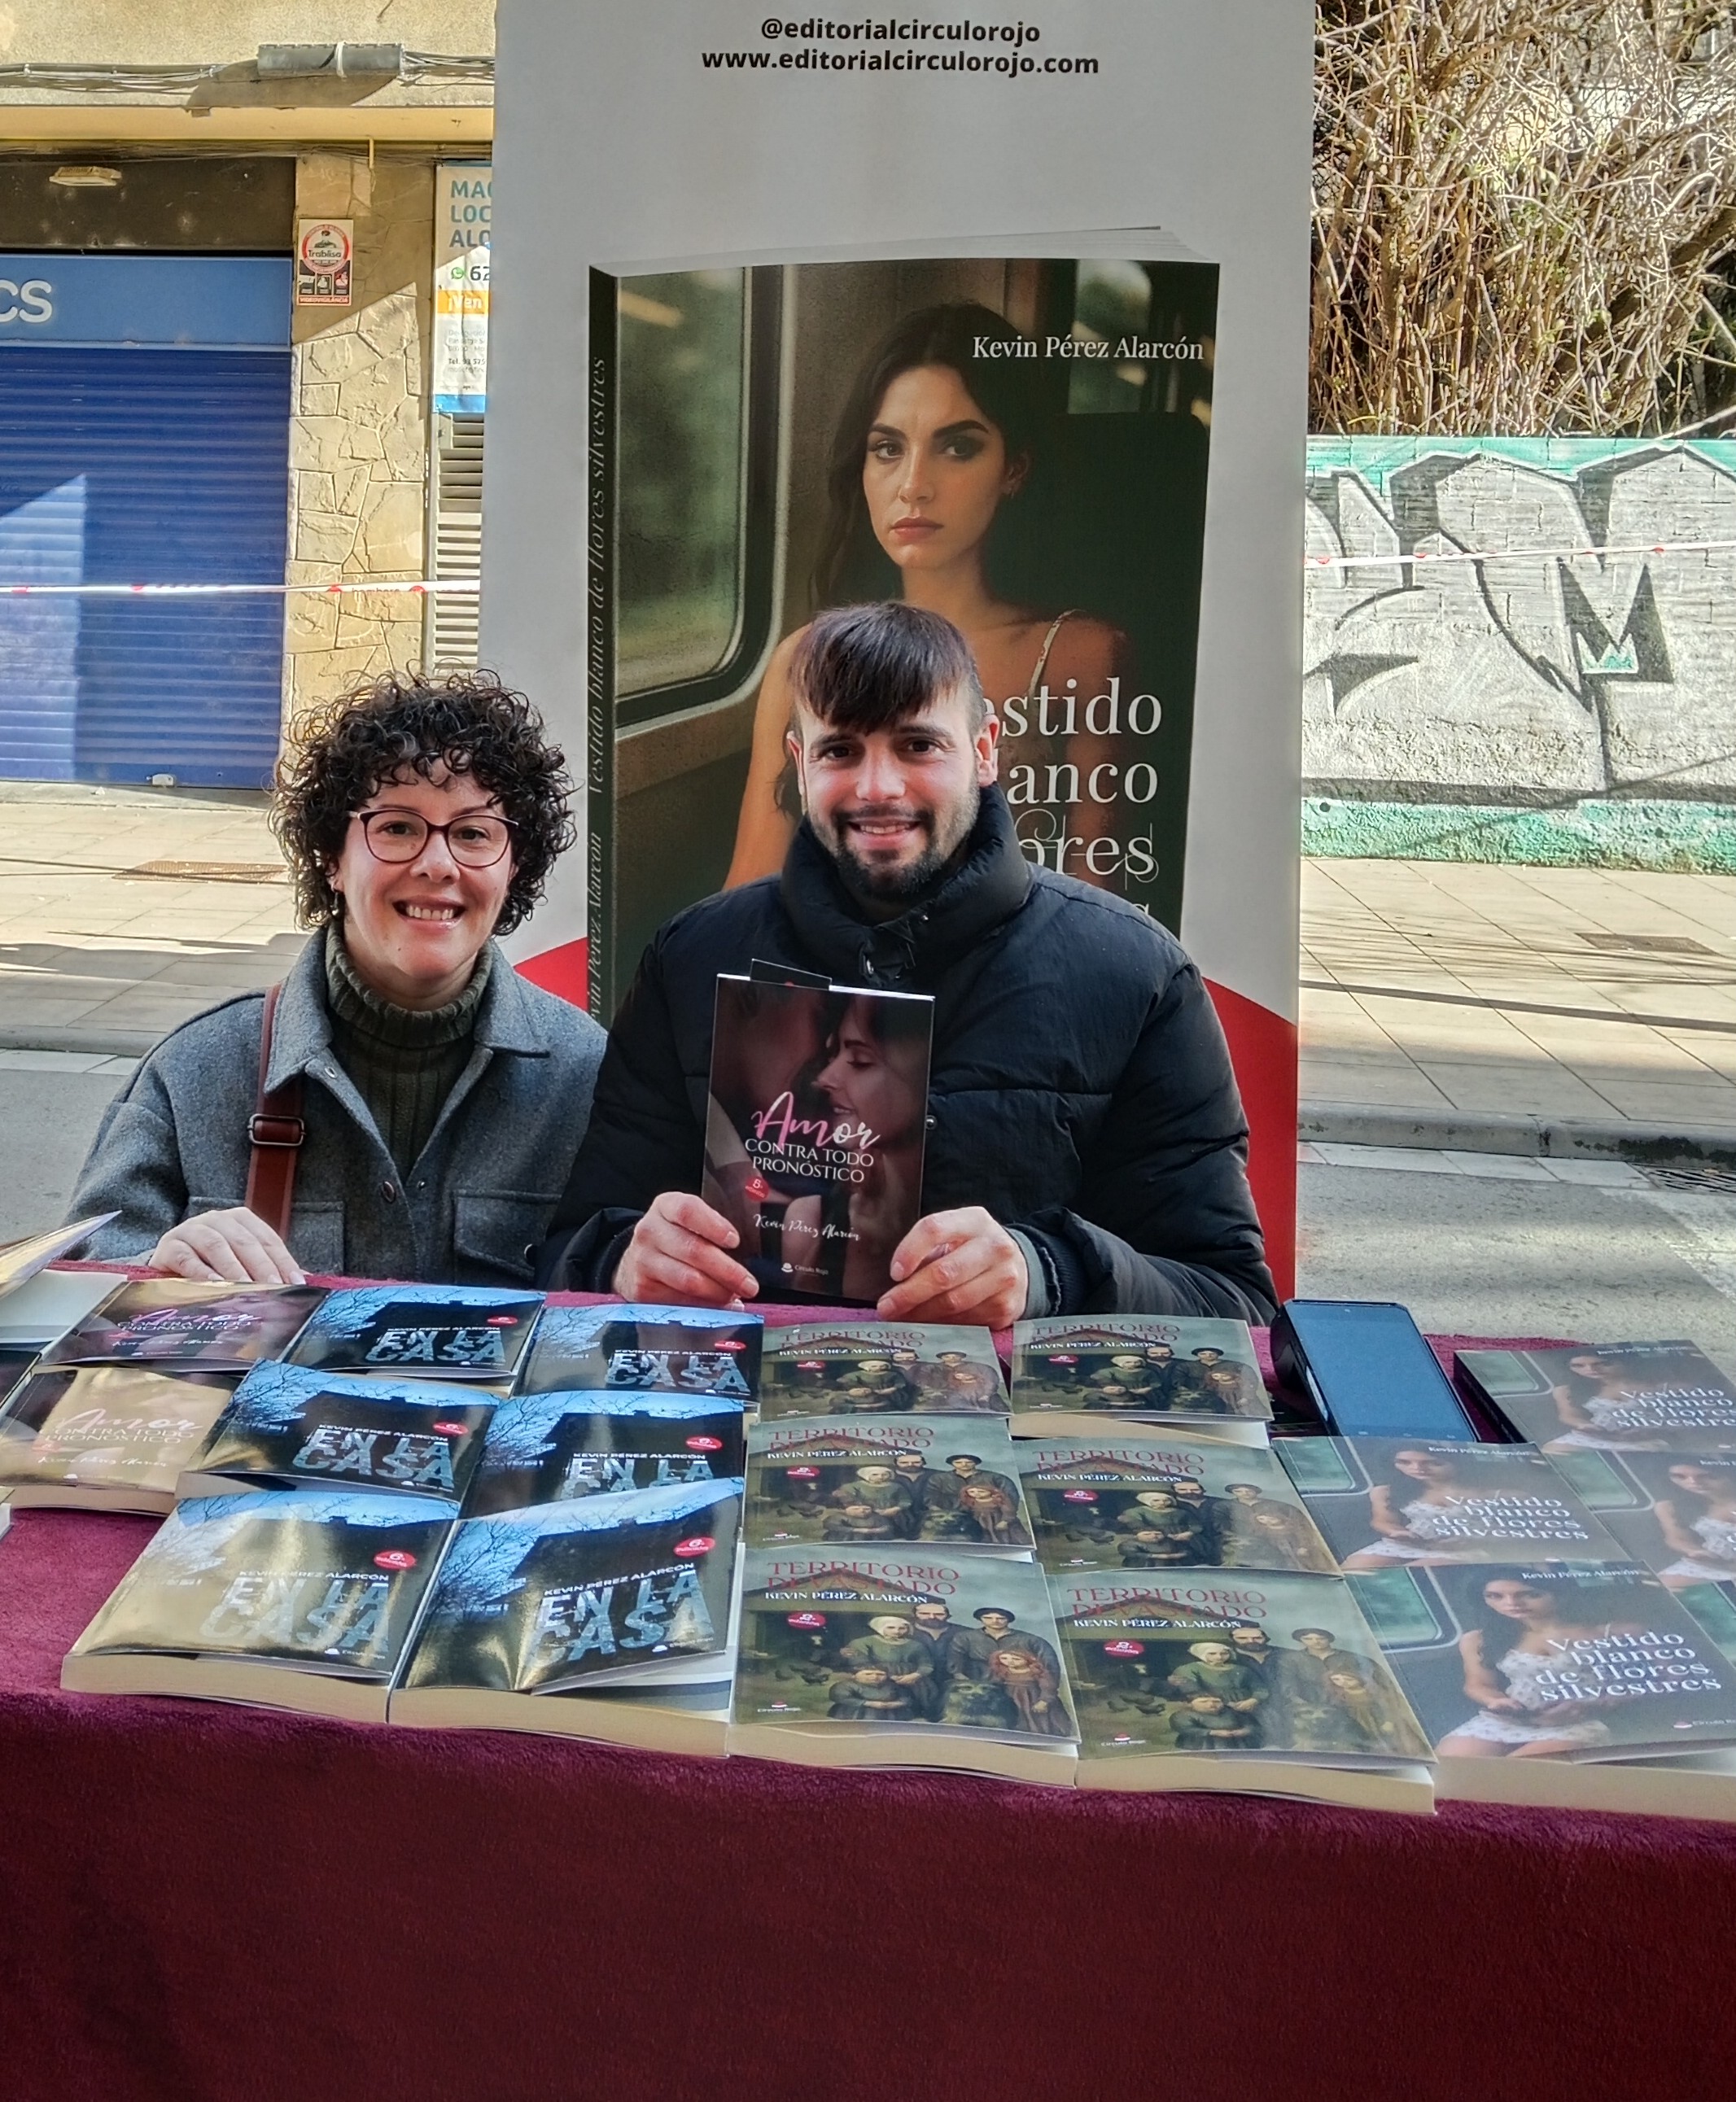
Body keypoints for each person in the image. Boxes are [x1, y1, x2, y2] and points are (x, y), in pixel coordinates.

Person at [540, 601, 1275, 1326]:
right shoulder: (693, 958)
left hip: (1009, 1433)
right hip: (748, 1413)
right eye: (840, 750)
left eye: (918, 746)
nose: (877, 788)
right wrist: (622, 1260)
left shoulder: (1135, 974)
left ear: (984, 750)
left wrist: (1045, 1272)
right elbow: (574, 1243)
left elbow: (1231, 1299)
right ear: (800, 765)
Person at [69, 672, 605, 1285]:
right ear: (332, 858)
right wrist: (153, 1271)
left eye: (472, 833)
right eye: (397, 827)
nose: (437, 864)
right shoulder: (196, 1071)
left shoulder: (586, 1076)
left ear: (515, 865)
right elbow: (76, 1288)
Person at [724, 301, 1127, 892]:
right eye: (887, 449)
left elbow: (1100, 904)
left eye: (957, 447)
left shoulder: (1080, 654)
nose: (913, 485)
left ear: (1013, 468)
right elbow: (749, 895)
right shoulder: (802, 659)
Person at [1436, 1578, 1635, 1759]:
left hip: (1586, 1719)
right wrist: (1498, 1701)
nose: (1511, 1603)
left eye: (1530, 1594)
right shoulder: (1479, 1638)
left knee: (1512, 1771)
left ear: (1559, 1593)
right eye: (1495, 1596)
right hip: (1517, 1718)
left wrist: (1596, 1704)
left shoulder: (1616, 1632)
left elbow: (1662, 1680)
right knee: (1450, 1762)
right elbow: (1478, 1685)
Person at [1651, 1462, 1736, 1584]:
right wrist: (1695, 1551)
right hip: (1708, 1564)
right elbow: (1676, 1538)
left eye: (1706, 1476)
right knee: (1665, 1585)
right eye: (1680, 1477)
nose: (1693, 1482)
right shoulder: (1670, 1506)